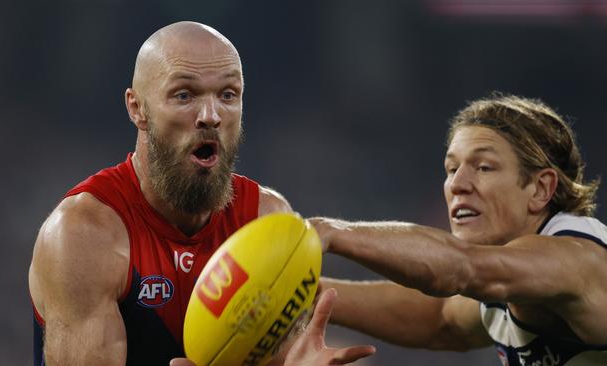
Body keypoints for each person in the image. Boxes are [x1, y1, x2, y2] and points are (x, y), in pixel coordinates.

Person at [28, 21, 373, 366]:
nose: (211, 116)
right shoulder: (85, 234)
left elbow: (426, 319)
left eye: (228, 95)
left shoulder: (264, 221)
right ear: (137, 109)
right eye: (184, 95)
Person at [311, 94, 607, 365]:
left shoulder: (577, 261)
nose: (457, 185)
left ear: (540, 189)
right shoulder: (504, 274)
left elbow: (460, 267)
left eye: (484, 167)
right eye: (452, 169)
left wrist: (332, 232)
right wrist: (300, 293)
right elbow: (440, 319)